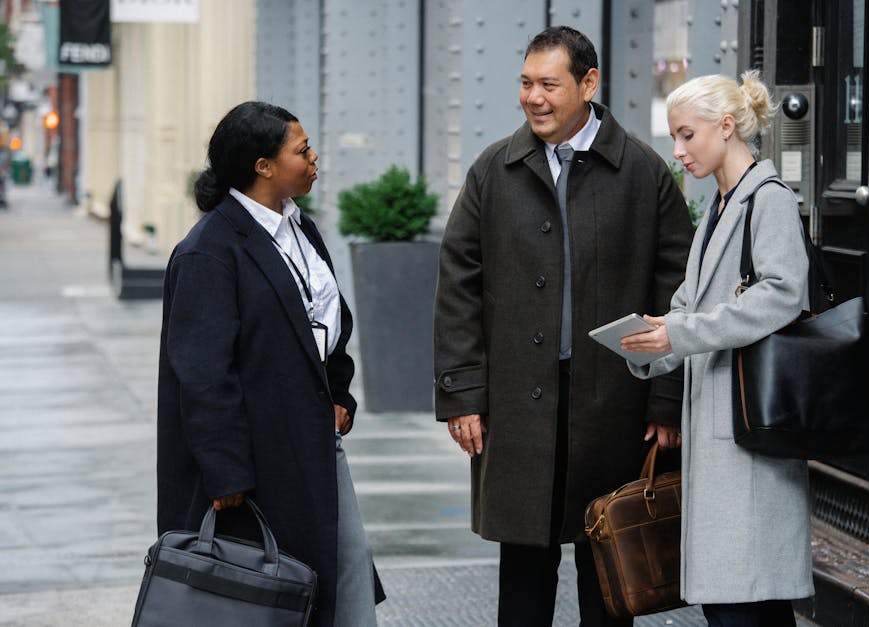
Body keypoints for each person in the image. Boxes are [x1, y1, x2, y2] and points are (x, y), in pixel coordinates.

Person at [434, 26, 693, 625]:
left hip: (616, 405)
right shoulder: (494, 169)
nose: (533, 97)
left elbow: (678, 292)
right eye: (525, 83)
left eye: (549, 84)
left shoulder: (643, 173)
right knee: (524, 569)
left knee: (610, 571)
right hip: (517, 404)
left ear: (589, 84)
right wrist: (462, 394)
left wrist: (666, 398)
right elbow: (457, 285)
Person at [157, 101, 384, 627]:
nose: (314, 157)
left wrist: (340, 397)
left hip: (314, 448)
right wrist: (226, 474)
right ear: (263, 166)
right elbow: (202, 375)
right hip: (253, 468)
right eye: (301, 150)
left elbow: (324, 326)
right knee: (262, 601)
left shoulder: (301, 230)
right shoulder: (208, 251)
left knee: (343, 582)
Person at [621, 71, 814, 626]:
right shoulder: (720, 207)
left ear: (726, 127)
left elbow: (782, 295)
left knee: (745, 603)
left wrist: (678, 333)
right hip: (725, 430)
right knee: (739, 603)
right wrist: (648, 343)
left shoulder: (767, 200)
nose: (678, 151)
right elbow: (688, 304)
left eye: (687, 135)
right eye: (674, 138)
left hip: (752, 429)